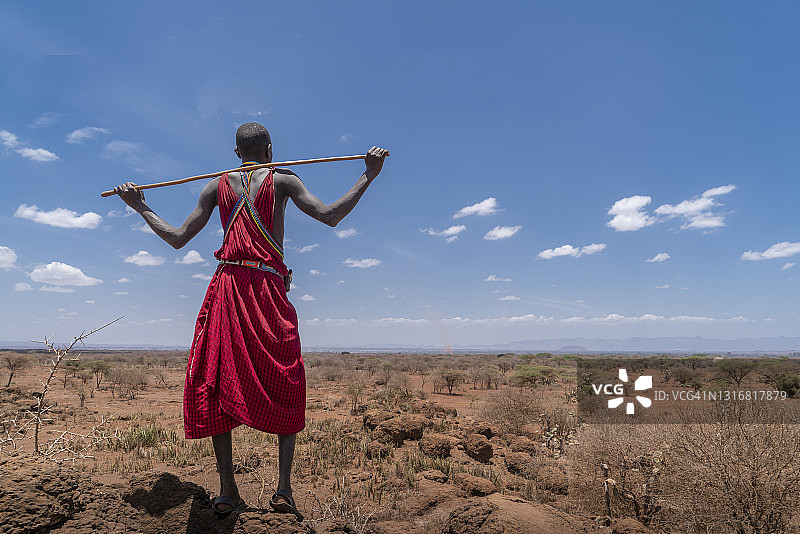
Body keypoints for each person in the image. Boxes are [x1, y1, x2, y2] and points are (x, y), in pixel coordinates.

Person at [114, 122, 388, 518]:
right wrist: (369, 174)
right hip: (266, 289)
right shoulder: (283, 180)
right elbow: (330, 216)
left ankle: (228, 491)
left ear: (237, 152)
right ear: (270, 149)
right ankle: (283, 490)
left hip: (226, 286)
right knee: (287, 378)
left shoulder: (215, 186)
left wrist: (140, 206)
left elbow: (177, 238)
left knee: (218, 378)